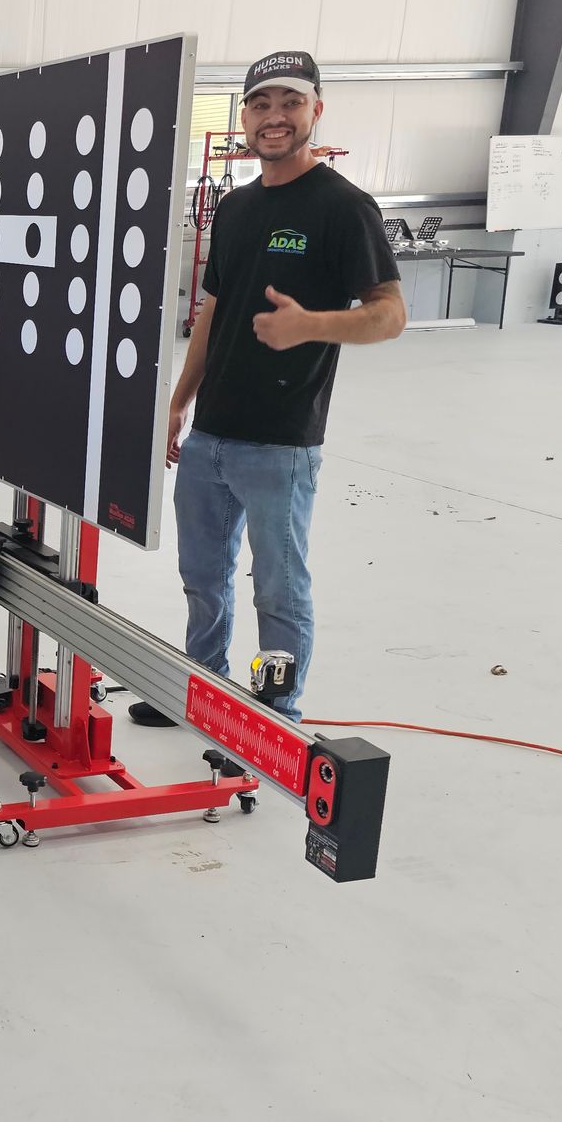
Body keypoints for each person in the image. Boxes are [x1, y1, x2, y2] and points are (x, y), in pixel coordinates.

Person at [130, 51, 405, 726]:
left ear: (316, 110)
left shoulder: (344, 207)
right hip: (211, 435)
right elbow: (213, 313)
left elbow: (391, 314)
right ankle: (204, 685)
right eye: (261, 105)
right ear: (244, 118)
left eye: (290, 102)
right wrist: (176, 402)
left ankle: (277, 712)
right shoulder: (237, 206)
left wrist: (313, 324)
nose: (274, 117)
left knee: (278, 588)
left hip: (282, 442)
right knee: (202, 578)